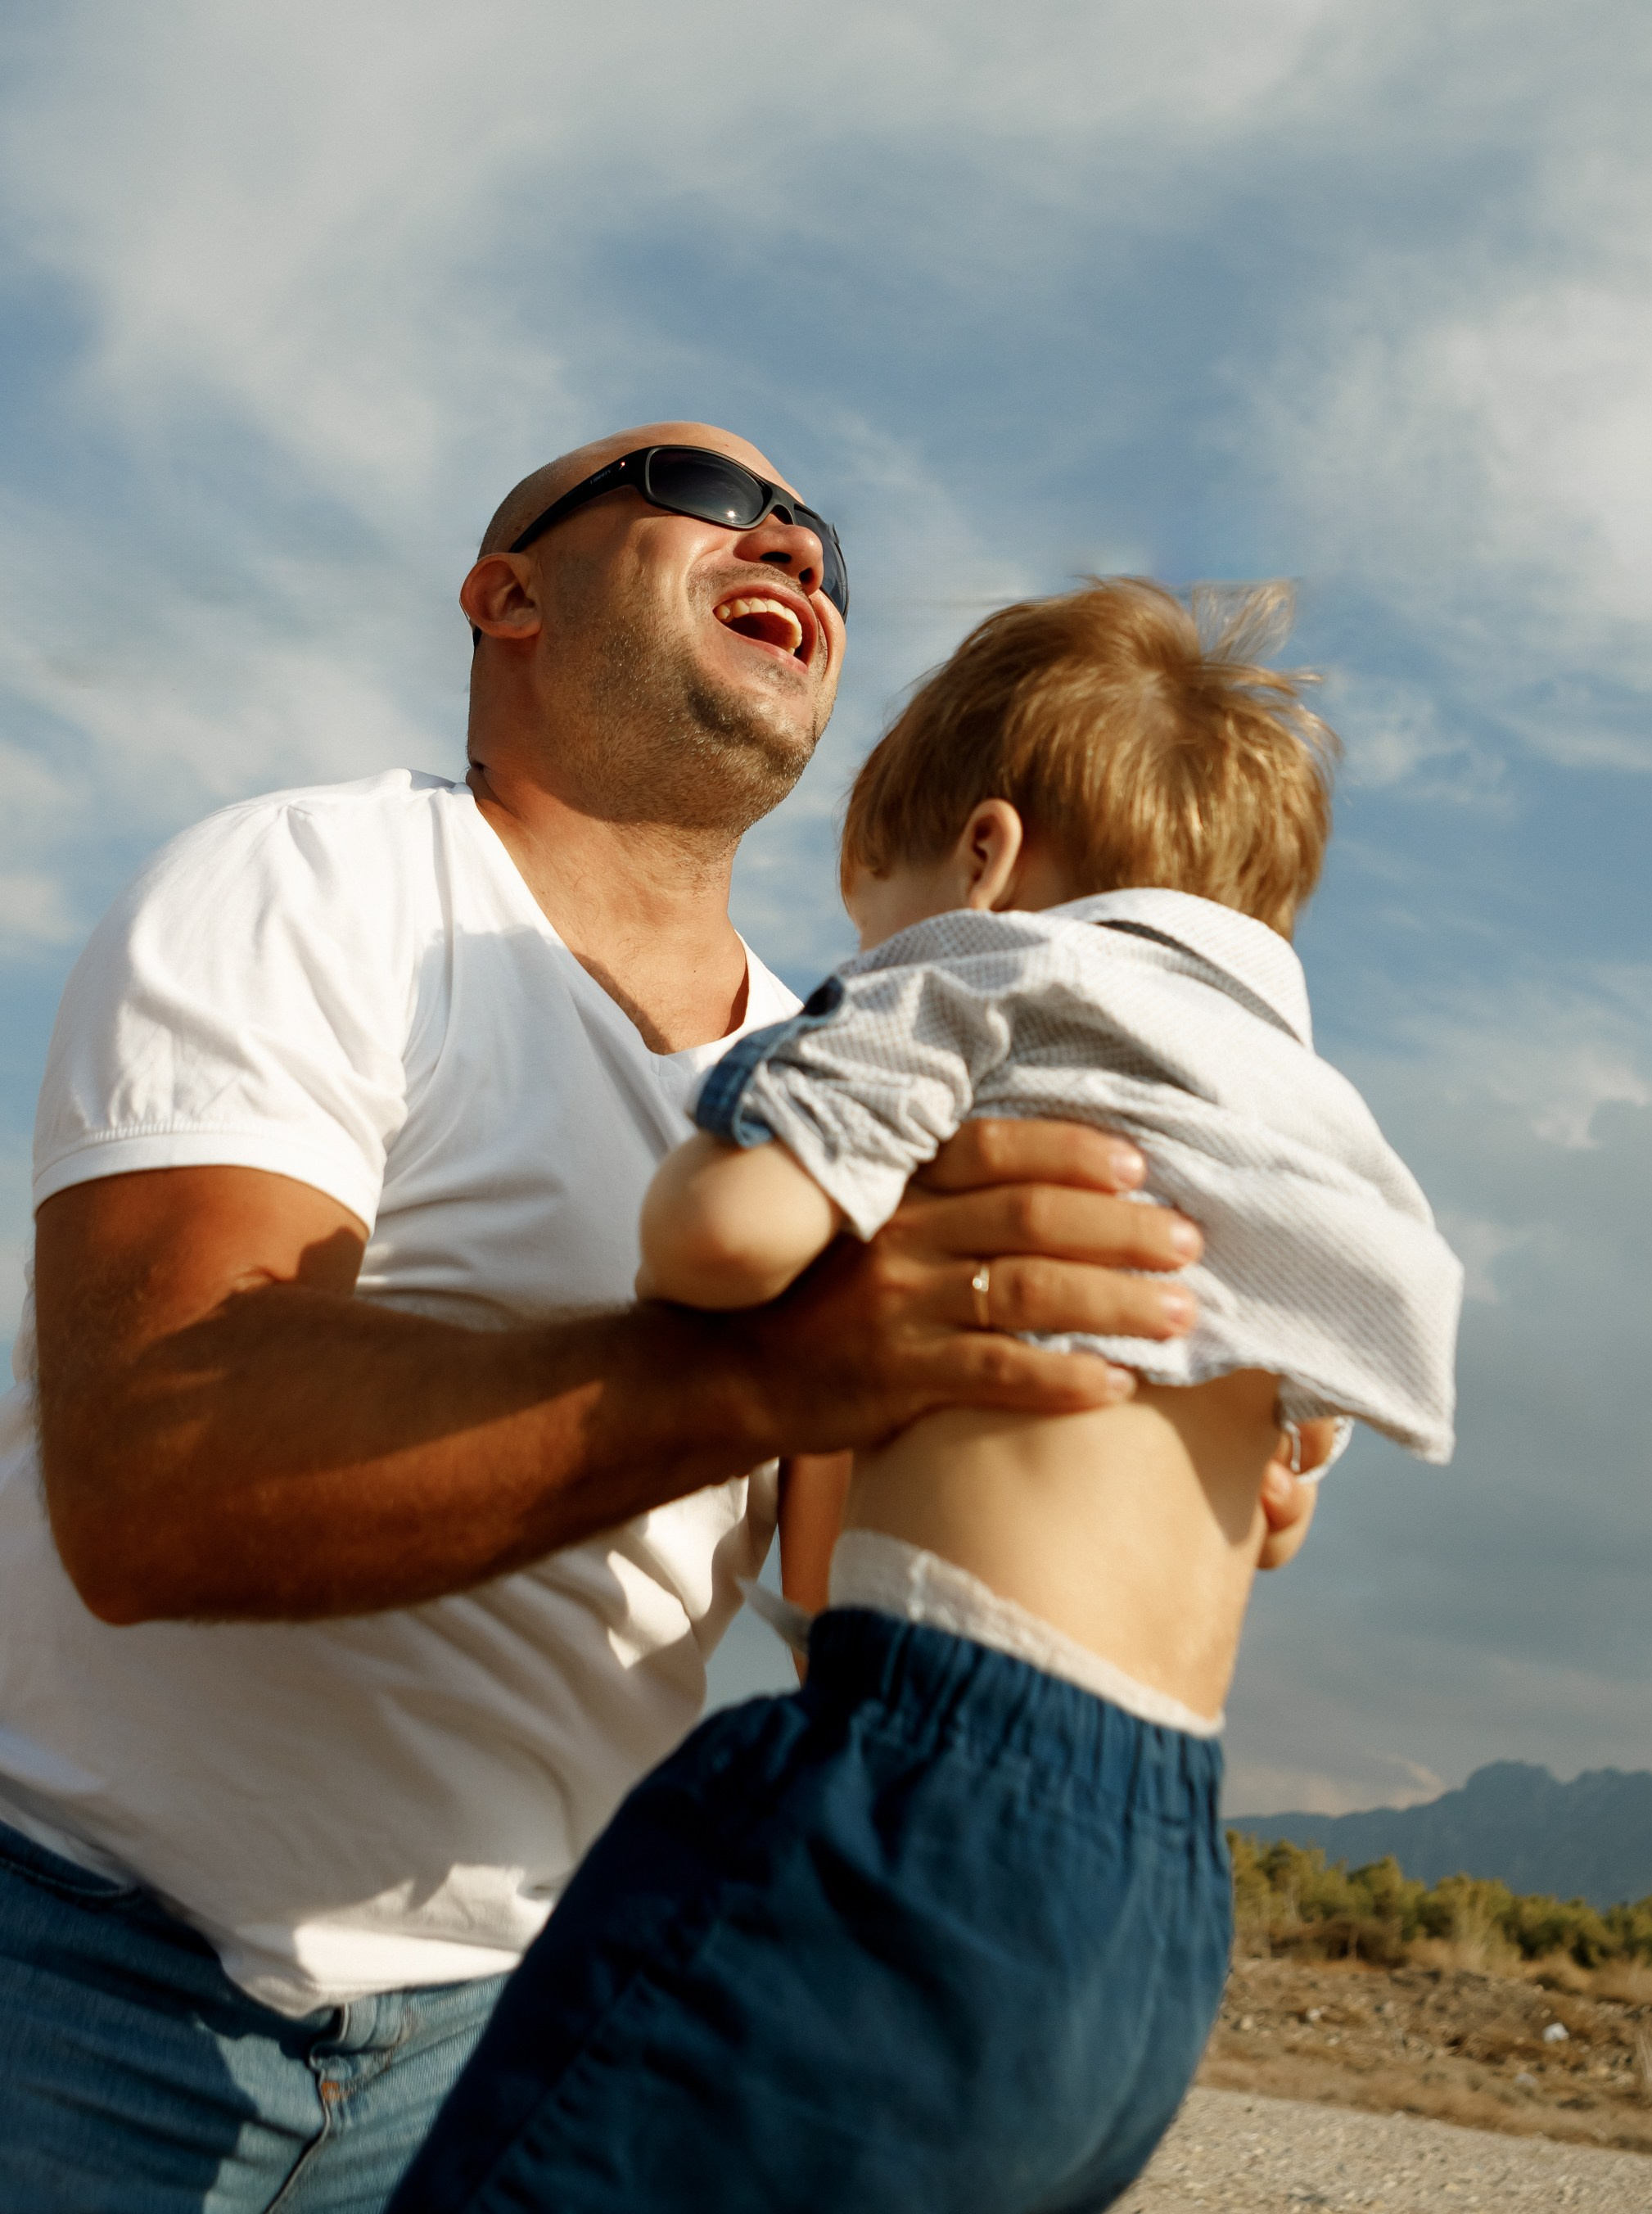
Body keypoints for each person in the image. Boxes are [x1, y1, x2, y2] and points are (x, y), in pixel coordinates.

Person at [0, 427, 1324, 2212]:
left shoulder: (855, 1075)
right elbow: (155, 1475)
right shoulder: (313, 885)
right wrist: (774, 1363)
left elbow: (835, 1577)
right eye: (704, 493)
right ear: (510, 595)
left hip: (509, 2008)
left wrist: (1106, 1419)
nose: (786, 534)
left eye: (818, 535)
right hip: (81, 1979)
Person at [389, 577, 1460, 2214]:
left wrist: (738, 1163)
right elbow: (1276, 1515)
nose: (867, 953)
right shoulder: (1303, 1137)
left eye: (867, 912)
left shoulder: (981, 977)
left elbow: (723, 1237)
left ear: (980, 859)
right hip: (1153, 1903)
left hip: (925, 1782)